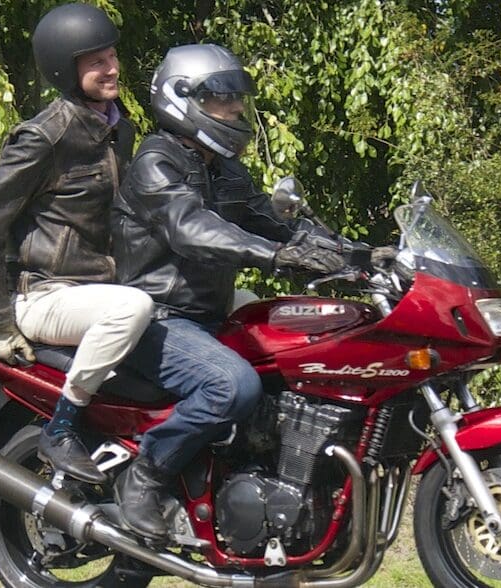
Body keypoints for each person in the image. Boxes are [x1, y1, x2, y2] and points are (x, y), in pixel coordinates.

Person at [110, 43, 357, 541]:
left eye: (238, 98)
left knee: (307, 354)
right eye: (224, 98)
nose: (238, 109)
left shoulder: (226, 170)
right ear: (184, 99)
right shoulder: (155, 164)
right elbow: (192, 227)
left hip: (209, 317)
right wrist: (271, 256)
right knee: (232, 386)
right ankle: (146, 475)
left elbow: (276, 225)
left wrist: (364, 257)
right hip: (157, 318)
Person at [0, 3, 153, 485]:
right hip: (45, 294)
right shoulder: (44, 136)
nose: (111, 68)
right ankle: (62, 428)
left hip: (99, 291)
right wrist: (0, 322)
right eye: (96, 62)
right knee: (132, 308)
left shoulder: (117, 128)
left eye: (112, 56)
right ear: (66, 71)